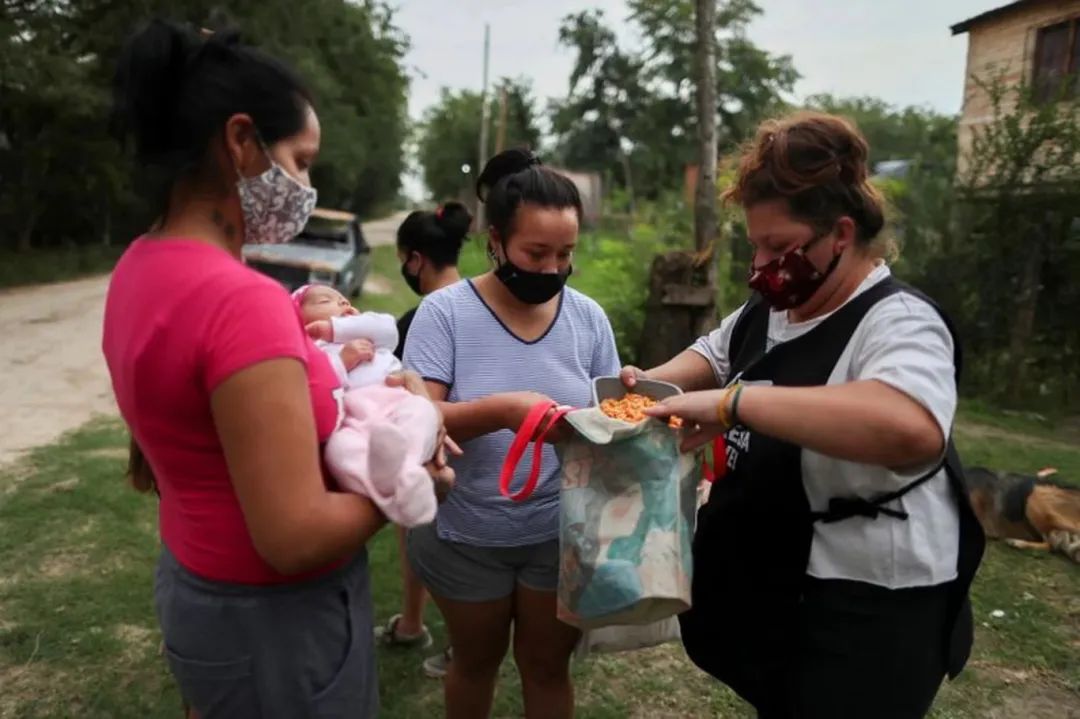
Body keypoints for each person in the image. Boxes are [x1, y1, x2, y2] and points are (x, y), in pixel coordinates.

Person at [103, 20, 451, 718]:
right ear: (240, 142)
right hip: (280, 625)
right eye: (300, 159)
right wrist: (411, 475)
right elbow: (292, 535)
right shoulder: (242, 301)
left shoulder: (139, 267)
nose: (305, 185)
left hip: (201, 593)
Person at [624, 111, 984, 719]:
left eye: (779, 246)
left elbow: (911, 427)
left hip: (866, 606)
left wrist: (734, 405)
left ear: (839, 235)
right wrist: (638, 389)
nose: (760, 265)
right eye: (756, 245)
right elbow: (714, 356)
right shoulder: (775, 307)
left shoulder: (899, 322)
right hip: (781, 580)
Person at [403, 149, 621, 719]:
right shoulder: (445, 314)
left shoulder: (589, 319)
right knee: (474, 664)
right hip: (465, 534)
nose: (551, 269)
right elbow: (416, 418)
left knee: (547, 668)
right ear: (495, 240)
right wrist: (504, 411)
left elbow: (609, 417)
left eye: (566, 254)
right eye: (536, 252)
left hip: (558, 533)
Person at [373, 202, 470, 674]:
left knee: (423, 532)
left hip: (443, 453)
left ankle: (435, 632)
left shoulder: (420, 320)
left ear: (414, 259)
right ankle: (440, 634)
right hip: (493, 456)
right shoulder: (486, 305)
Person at [294, 284, 446, 527]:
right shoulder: (311, 351)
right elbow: (314, 385)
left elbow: (388, 328)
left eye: (344, 299)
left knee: (422, 411)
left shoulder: (368, 331)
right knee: (339, 451)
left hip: (394, 402)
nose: (343, 303)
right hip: (352, 421)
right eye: (325, 301)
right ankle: (391, 485)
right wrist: (342, 362)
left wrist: (334, 328)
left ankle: (405, 468)